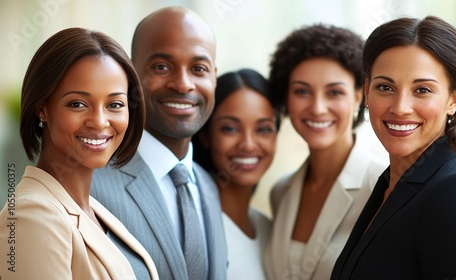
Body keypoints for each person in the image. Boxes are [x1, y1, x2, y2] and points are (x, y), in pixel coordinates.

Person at [331, 16, 456, 279]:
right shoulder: (389, 185)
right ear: (367, 92)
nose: (400, 107)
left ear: (453, 100)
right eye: (385, 87)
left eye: (422, 90)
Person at [0, 27, 158, 280]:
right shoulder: (32, 215)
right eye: (77, 104)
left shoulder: (91, 209)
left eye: (115, 104)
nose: (99, 121)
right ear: (42, 108)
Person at [90, 6, 227, 280]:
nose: (183, 84)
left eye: (199, 68)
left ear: (214, 75)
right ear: (129, 73)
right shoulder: (89, 185)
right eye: (162, 67)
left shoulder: (207, 184)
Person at [264, 24, 387, 280]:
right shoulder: (281, 192)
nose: (318, 108)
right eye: (302, 91)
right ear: (286, 99)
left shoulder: (384, 188)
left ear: (359, 96)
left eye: (334, 92)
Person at [192, 68, 281, 279]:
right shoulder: (195, 226)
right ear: (205, 134)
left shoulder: (269, 228)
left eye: (263, 129)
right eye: (230, 129)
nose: (248, 145)